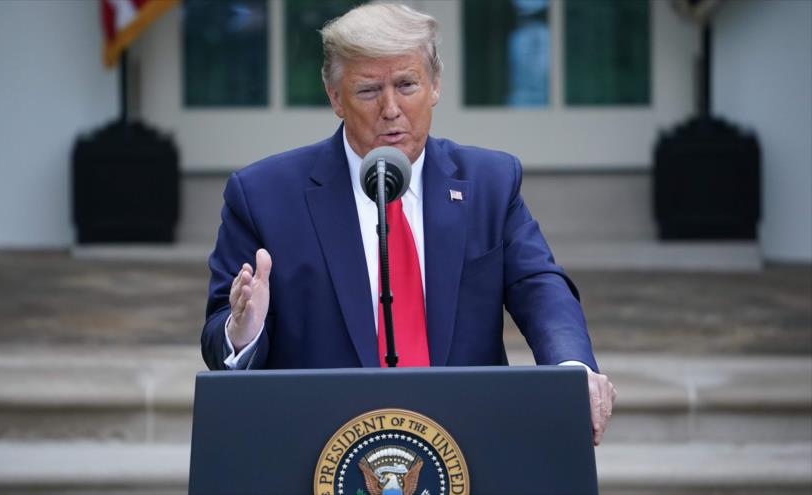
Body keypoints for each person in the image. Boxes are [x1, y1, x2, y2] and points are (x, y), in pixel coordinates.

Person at [201, 2, 616, 445]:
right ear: (335, 97)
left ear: (435, 85)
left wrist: (572, 370)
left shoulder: (489, 183)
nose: (391, 109)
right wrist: (242, 332)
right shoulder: (264, 195)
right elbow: (219, 339)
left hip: (464, 444)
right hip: (319, 446)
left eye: (406, 85)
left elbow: (540, 287)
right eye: (367, 91)